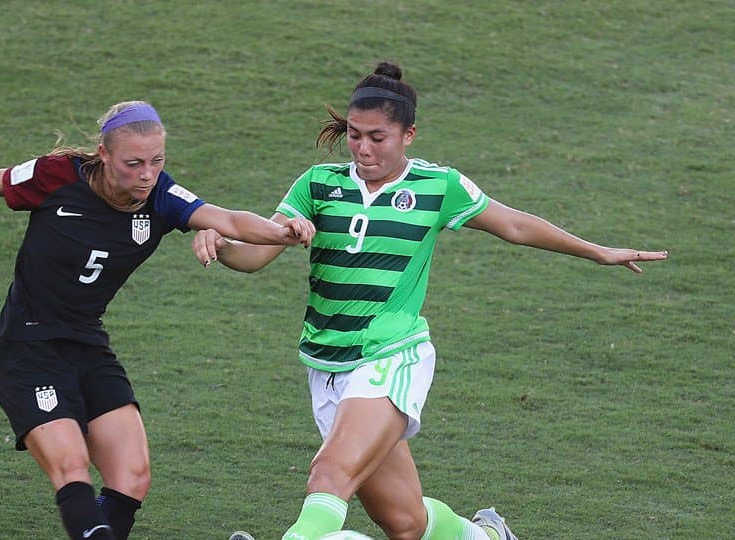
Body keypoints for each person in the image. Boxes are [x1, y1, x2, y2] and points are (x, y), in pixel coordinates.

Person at [193, 63, 668, 540]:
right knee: (405, 522)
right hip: (326, 365)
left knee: (328, 475)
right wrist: (223, 242)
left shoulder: (438, 187)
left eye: (378, 137)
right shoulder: (318, 184)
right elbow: (257, 254)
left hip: (389, 356)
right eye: (355, 135)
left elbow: (517, 224)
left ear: (409, 134)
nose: (362, 148)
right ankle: (487, 536)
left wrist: (597, 251)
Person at [0, 100, 315, 540]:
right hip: (28, 347)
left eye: (156, 160)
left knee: (132, 476)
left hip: (86, 345)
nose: (147, 174)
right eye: (134, 163)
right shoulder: (55, 176)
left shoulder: (161, 195)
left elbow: (227, 218)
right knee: (70, 464)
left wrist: (281, 232)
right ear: (104, 154)